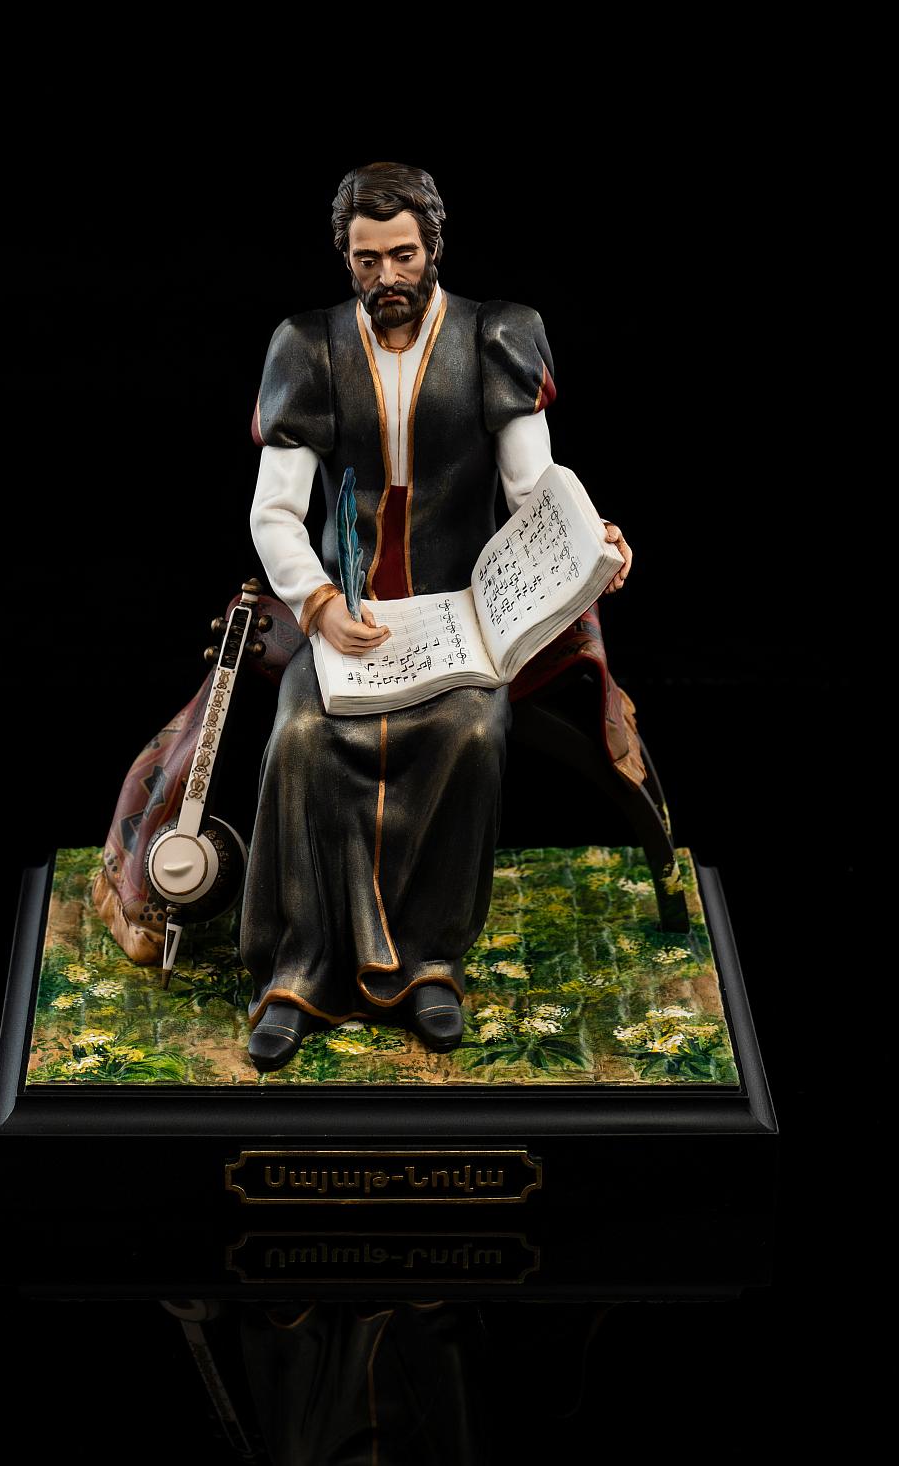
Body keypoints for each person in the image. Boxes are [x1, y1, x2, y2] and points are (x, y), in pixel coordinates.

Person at [240, 162, 632, 1071]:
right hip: (350, 617)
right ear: (346, 259)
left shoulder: (497, 337)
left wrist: (590, 539)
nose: (388, 277)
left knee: (472, 733)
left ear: (433, 248)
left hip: (463, 620)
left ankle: (430, 963)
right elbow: (274, 511)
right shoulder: (308, 348)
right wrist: (320, 605)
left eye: (404, 255)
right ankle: (297, 971)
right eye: (367, 260)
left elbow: (533, 489)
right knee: (301, 736)